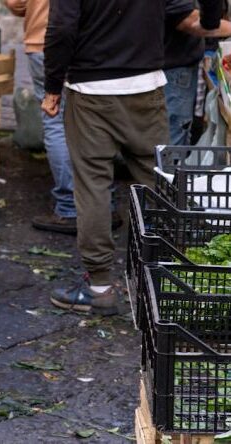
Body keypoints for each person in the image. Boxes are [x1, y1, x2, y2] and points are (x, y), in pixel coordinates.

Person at [42, 0, 221, 315]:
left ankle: (100, 288)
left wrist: (53, 87)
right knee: (159, 183)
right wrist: (209, 19)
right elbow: (190, 11)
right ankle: (169, 281)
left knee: (93, 185)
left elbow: (61, 28)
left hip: (90, 88)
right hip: (147, 87)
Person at [5, 0, 78, 234]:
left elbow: (16, 4)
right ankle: (101, 204)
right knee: (91, 121)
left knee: (55, 122)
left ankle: (69, 207)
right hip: (92, 46)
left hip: (44, 41)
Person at [165, 1, 231, 145]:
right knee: (174, 133)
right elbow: (188, 20)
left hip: (180, 64)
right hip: (173, 66)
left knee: (181, 128)